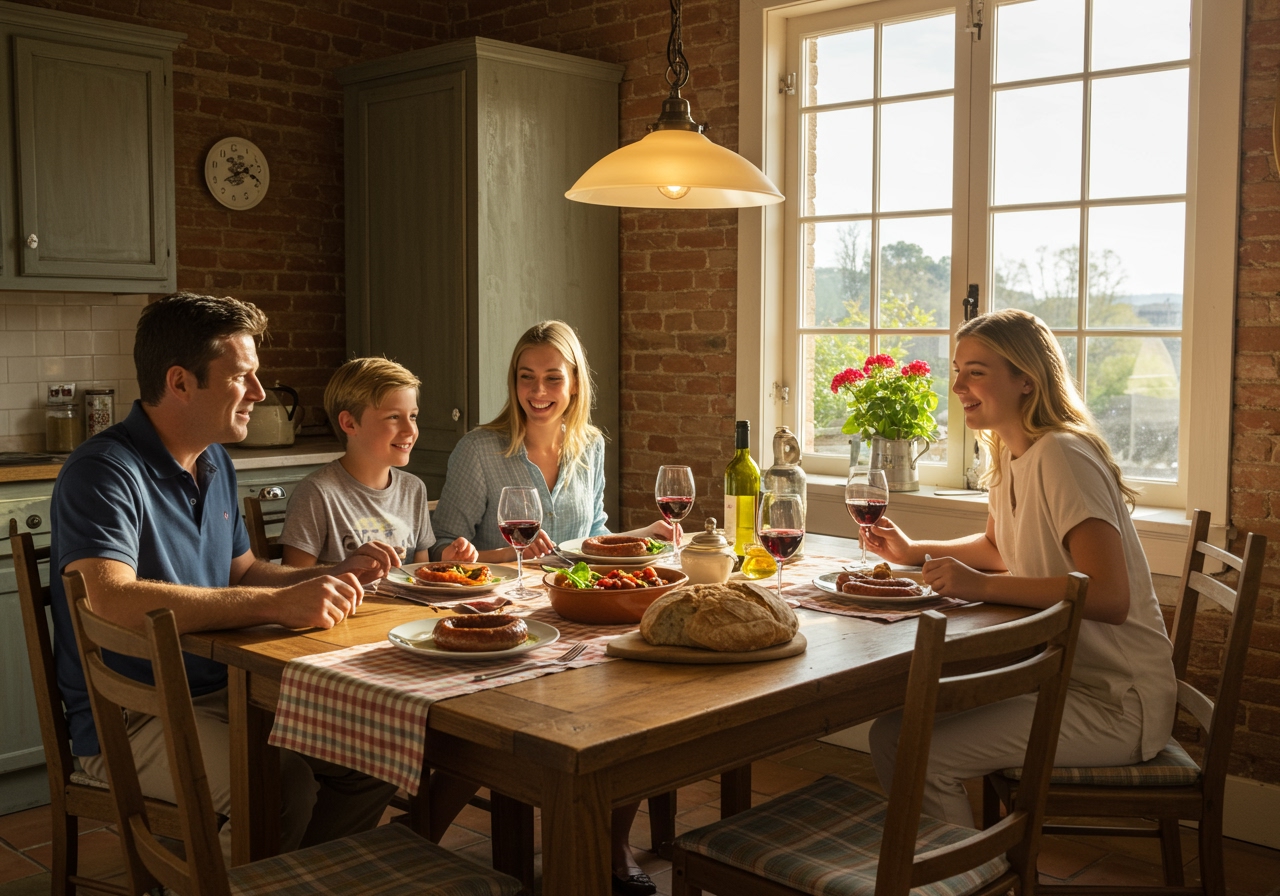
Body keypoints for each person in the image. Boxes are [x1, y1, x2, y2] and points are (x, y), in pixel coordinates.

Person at [49, 293, 402, 862]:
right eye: (243, 377)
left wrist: (334, 572)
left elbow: (246, 571)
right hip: (134, 711)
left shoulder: (213, 460)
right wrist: (271, 607)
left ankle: (277, 877)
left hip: (228, 689)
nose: (260, 394)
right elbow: (107, 598)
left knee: (376, 754)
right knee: (278, 783)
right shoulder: (103, 469)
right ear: (181, 382)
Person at [862, 308, 1177, 827]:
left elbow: (1109, 598)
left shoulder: (1063, 455)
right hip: (1061, 681)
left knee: (912, 747)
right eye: (958, 369)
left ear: (1026, 380)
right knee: (893, 733)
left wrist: (984, 586)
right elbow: (999, 546)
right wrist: (914, 551)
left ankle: (961, 880)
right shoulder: (1012, 454)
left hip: (1116, 703)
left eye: (976, 371)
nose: (958, 384)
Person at [430, 319, 676, 895]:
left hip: (579, 614)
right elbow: (443, 546)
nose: (537, 392)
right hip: (502, 616)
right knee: (482, 735)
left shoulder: (589, 446)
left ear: (573, 384)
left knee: (636, 713)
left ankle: (612, 845)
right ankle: (418, 838)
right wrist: (492, 551)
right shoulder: (480, 450)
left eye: (551, 378)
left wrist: (650, 533)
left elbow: (592, 535)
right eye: (525, 377)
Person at [278, 357, 477, 568]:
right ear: (350, 423)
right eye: (393, 417)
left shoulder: (413, 489)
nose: (410, 430)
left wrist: (447, 562)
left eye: (413, 416)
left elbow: (420, 576)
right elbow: (293, 585)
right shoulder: (317, 494)